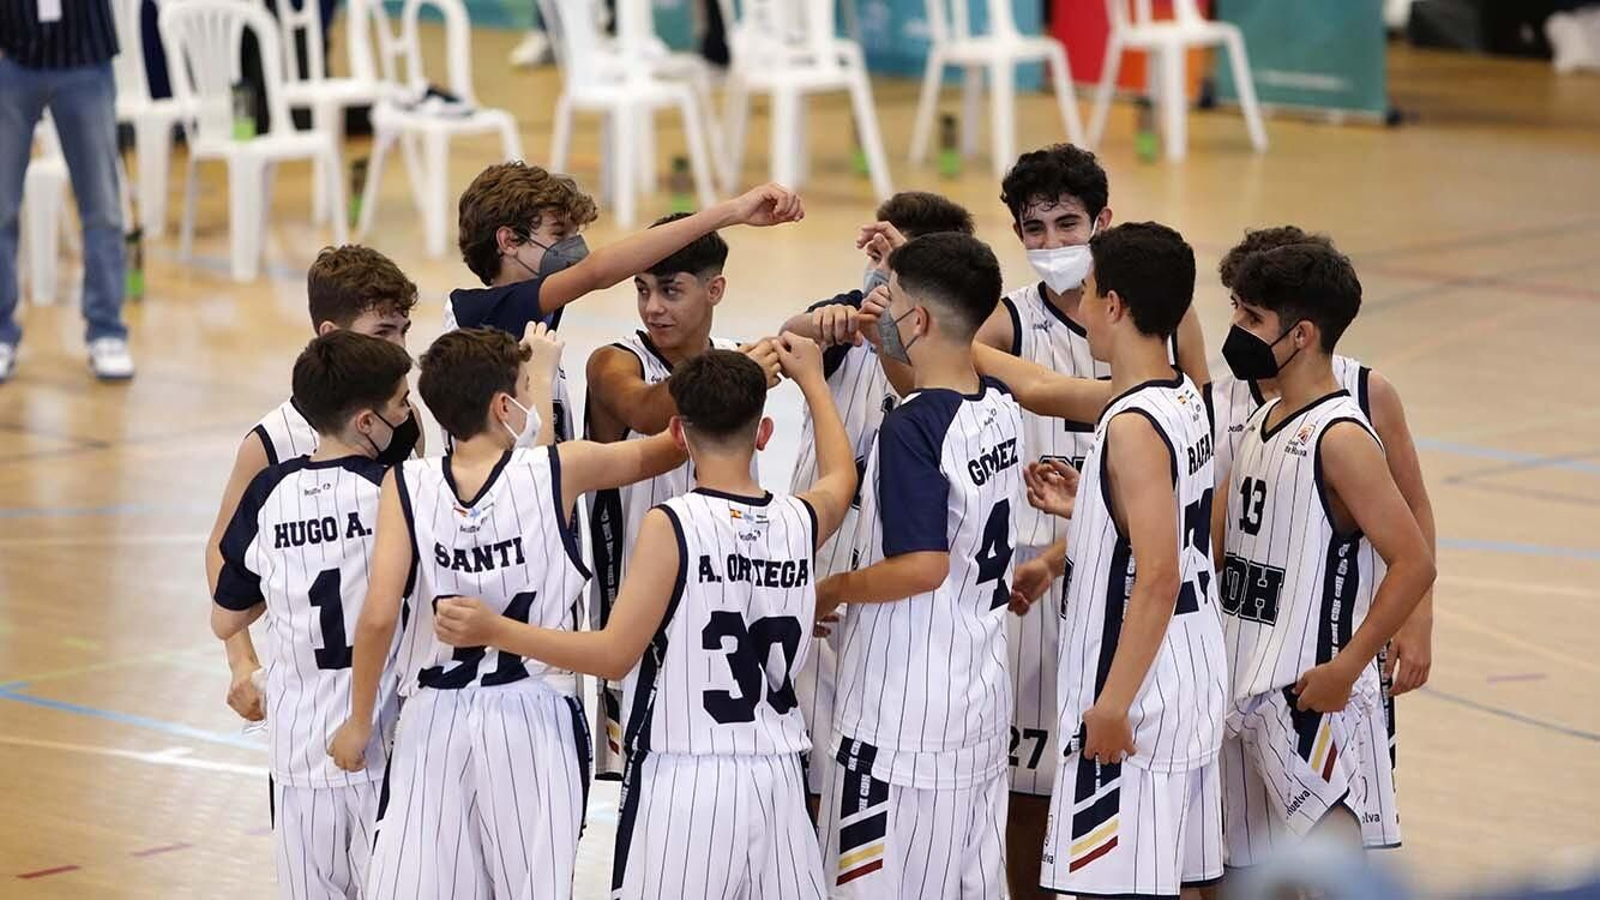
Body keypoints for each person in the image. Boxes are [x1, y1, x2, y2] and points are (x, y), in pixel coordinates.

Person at [432, 342, 858, 899]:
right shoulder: (800, 520)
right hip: (778, 775)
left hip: (686, 777)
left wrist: (496, 630)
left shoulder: (672, 523)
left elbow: (614, 655)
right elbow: (841, 476)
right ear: (764, 434)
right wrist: (815, 384)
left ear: (679, 435)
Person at [326, 325, 688, 898]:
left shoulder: (405, 481)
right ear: (504, 405)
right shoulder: (559, 468)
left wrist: (359, 720)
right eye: (525, 387)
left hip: (434, 718)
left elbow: (376, 618)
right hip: (532, 716)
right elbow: (669, 444)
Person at [1210, 241, 1435, 878]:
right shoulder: (1264, 419)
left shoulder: (1340, 436)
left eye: (1251, 319)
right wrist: (1084, 516)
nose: (1237, 332)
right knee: (1256, 879)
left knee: (1336, 882)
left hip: (1313, 690)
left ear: (1301, 335)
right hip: (1250, 685)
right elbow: (1214, 538)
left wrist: (1349, 665)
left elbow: (1414, 561)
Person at [1020, 222, 1228, 898]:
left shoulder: (1133, 422)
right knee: (1180, 878)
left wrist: (1111, 704)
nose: (1078, 306)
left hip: (1139, 690)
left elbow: (1160, 575)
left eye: (1085, 292)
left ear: (1113, 306)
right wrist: (1094, 508)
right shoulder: (1183, 397)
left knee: (1112, 887)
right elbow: (1165, 521)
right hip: (1191, 668)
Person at [813, 232, 1022, 898]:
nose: (880, 308)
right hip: (980, 703)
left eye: (891, 298)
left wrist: (834, 587)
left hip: (901, 721)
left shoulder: (912, 429)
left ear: (921, 320)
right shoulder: (998, 405)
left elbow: (923, 565)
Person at [774, 190, 977, 808]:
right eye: (875, 259)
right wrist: (829, 322)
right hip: (819, 577)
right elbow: (794, 332)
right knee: (800, 764)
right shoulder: (844, 322)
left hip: (894, 596)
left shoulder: (951, 361)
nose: (879, 277)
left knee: (856, 783)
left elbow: (917, 373)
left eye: (898, 265)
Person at [211, 330, 415, 899]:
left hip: (298, 753)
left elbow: (225, 620)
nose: (409, 412)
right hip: (385, 740)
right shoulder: (394, 491)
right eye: (401, 401)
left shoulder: (270, 493)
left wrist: (286, 575)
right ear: (368, 422)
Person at [583, 212, 784, 777]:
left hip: (718, 619)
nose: (653, 308)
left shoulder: (739, 363)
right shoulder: (614, 361)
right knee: (634, 802)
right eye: (642, 290)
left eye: (671, 290)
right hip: (631, 628)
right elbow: (650, 412)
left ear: (714, 289)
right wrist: (736, 370)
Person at [206, 245, 420, 725]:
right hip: (312, 686)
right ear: (331, 333)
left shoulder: (404, 420)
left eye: (404, 329)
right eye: (383, 332)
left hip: (396, 677)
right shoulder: (271, 442)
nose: (400, 346)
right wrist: (240, 660)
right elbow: (222, 550)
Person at [448, 162, 802, 440]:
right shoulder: (479, 314)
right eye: (559, 235)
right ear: (509, 241)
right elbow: (598, 271)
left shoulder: (539, 315)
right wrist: (733, 212)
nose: (574, 248)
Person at [0, 0, 133, 382]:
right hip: (12, 56)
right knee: (2, 207)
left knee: (102, 205)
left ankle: (107, 330)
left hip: (85, 55)